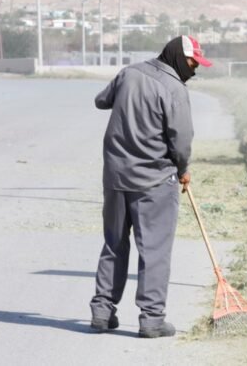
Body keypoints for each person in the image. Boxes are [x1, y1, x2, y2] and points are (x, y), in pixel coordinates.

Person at [89, 35, 211, 338]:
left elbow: (101, 100)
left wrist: (129, 99)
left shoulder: (129, 73)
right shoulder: (174, 89)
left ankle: (102, 312)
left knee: (114, 243)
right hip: (154, 181)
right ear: (177, 57)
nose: (194, 69)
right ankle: (152, 319)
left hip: (116, 177)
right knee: (154, 250)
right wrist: (183, 169)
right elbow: (181, 140)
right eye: (192, 63)